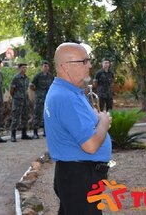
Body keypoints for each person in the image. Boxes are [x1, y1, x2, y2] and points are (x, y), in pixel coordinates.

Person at [44, 43, 112, 215]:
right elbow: (90, 146)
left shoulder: (69, 91)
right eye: (84, 61)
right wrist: (103, 122)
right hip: (79, 178)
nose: (89, 65)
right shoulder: (65, 97)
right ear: (66, 67)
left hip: (76, 176)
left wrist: (95, 118)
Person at [30, 60, 53, 139]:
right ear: (42, 67)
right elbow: (32, 85)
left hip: (48, 98)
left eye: (47, 66)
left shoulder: (50, 76)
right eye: (44, 66)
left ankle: (46, 131)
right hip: (39, 98)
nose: (46, 68)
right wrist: (38, 92)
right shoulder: (38, 76)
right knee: (37, 115)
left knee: (47, 115)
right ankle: (35, 132)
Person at [10, 62, 32, 142]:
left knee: (24, 117)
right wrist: (15, 97)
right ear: (19, 68)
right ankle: (13, 135)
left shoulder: (27, 78)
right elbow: (12, 90)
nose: (24, 69)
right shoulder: (16, 78)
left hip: (25, 100)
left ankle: (24, 133)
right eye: (23, 67)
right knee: (15, 117)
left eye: (25, 67)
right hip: (17, 100)